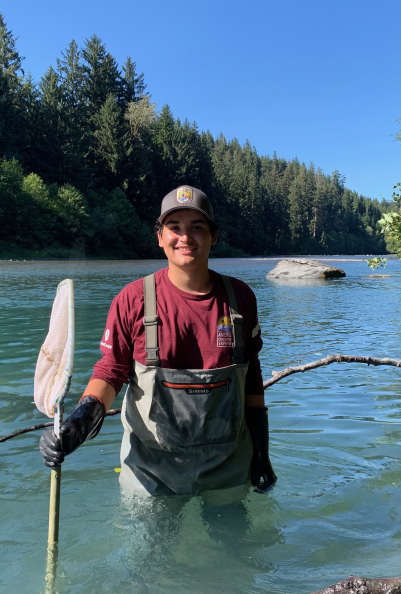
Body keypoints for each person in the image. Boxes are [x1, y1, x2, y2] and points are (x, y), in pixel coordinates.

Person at [39, 186, 277, 495]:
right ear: (159, 236)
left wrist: (262, 451)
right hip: (150, 470)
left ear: (214, 236)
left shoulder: (241, 298)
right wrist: (78, 424)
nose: (185, 237)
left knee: (231, 543)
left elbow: (252, 376)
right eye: (174, 228)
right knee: (149, 546)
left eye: (197, 227)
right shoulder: (132, 300)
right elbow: (110, 372)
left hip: (228, 466)